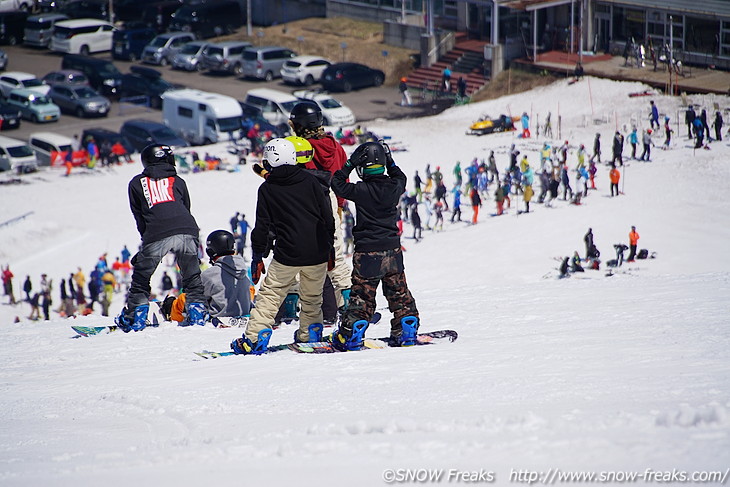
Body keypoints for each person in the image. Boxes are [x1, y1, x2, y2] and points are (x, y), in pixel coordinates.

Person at [231, 138, 334, 355]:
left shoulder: (268, 189)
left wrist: (258, 256)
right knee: (313, 296)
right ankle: (311, 332)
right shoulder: (311, 181)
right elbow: (327, 217)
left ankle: (255, 336)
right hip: (317, 251)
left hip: (287, 253)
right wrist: (329, 247)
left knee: (271, 294)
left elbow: (262, 227)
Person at [329, 141, 420, 350]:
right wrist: (390, 161)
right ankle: (406, 327)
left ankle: (352, 333)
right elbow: (401, 177)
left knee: (362, 295)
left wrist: (349, 163)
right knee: (398, 292)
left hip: (368, 252)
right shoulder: (394, 186)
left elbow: (337, 183)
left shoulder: (361, 189)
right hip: (393, 250)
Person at [115, 144, 207, 332]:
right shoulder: (178, 181)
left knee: (142, 278)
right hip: (187, 228)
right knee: (191, 276)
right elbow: (185, 207)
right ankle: (197, 311)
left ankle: (137, 315)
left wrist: (146, 245)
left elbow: (139, 217)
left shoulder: (136, 183)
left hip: (157, 232)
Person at [287, 101, 352, 310]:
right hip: (331, 203)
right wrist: (340, 206)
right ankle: (348, 305)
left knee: (294, 257)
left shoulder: (297, 148)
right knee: (336, 257)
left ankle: (291, 306)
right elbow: (343, 179)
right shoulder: (335, 146)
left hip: (304, 205)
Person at [163, 230, 251, 326]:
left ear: (210, 251)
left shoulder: (211, 274)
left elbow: (194, 296)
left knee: (186, 298)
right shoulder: (244, 272)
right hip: (243, 318)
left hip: (217, 320)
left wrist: (172, 305)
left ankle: (170, 311)